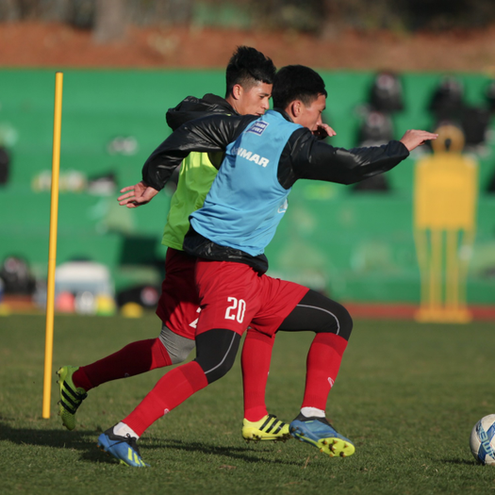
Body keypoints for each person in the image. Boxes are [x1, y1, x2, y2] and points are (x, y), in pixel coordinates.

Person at [98, 64, 438, 467]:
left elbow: (187, 132)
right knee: (214, 361)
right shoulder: (294, 144)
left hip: (238, 269)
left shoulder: (245, 126)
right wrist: (402, 145)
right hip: (226, 267)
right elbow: (351, 166)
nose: (321, 119)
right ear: (297, 107)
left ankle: (311, 416)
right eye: (317, 111)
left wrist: (152, 181)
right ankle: (123, 433)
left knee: (335, 319)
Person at [57, 46, 292, 442]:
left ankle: (79, 380)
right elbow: (181, 112)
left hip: (222, 250)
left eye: (270, 98)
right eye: (262, 97)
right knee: (189, 342)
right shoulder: (213, 118)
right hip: (195, 248)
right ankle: (252, 416)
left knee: (180, 346)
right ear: (238, 91)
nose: (267, 106)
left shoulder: (250, 127)